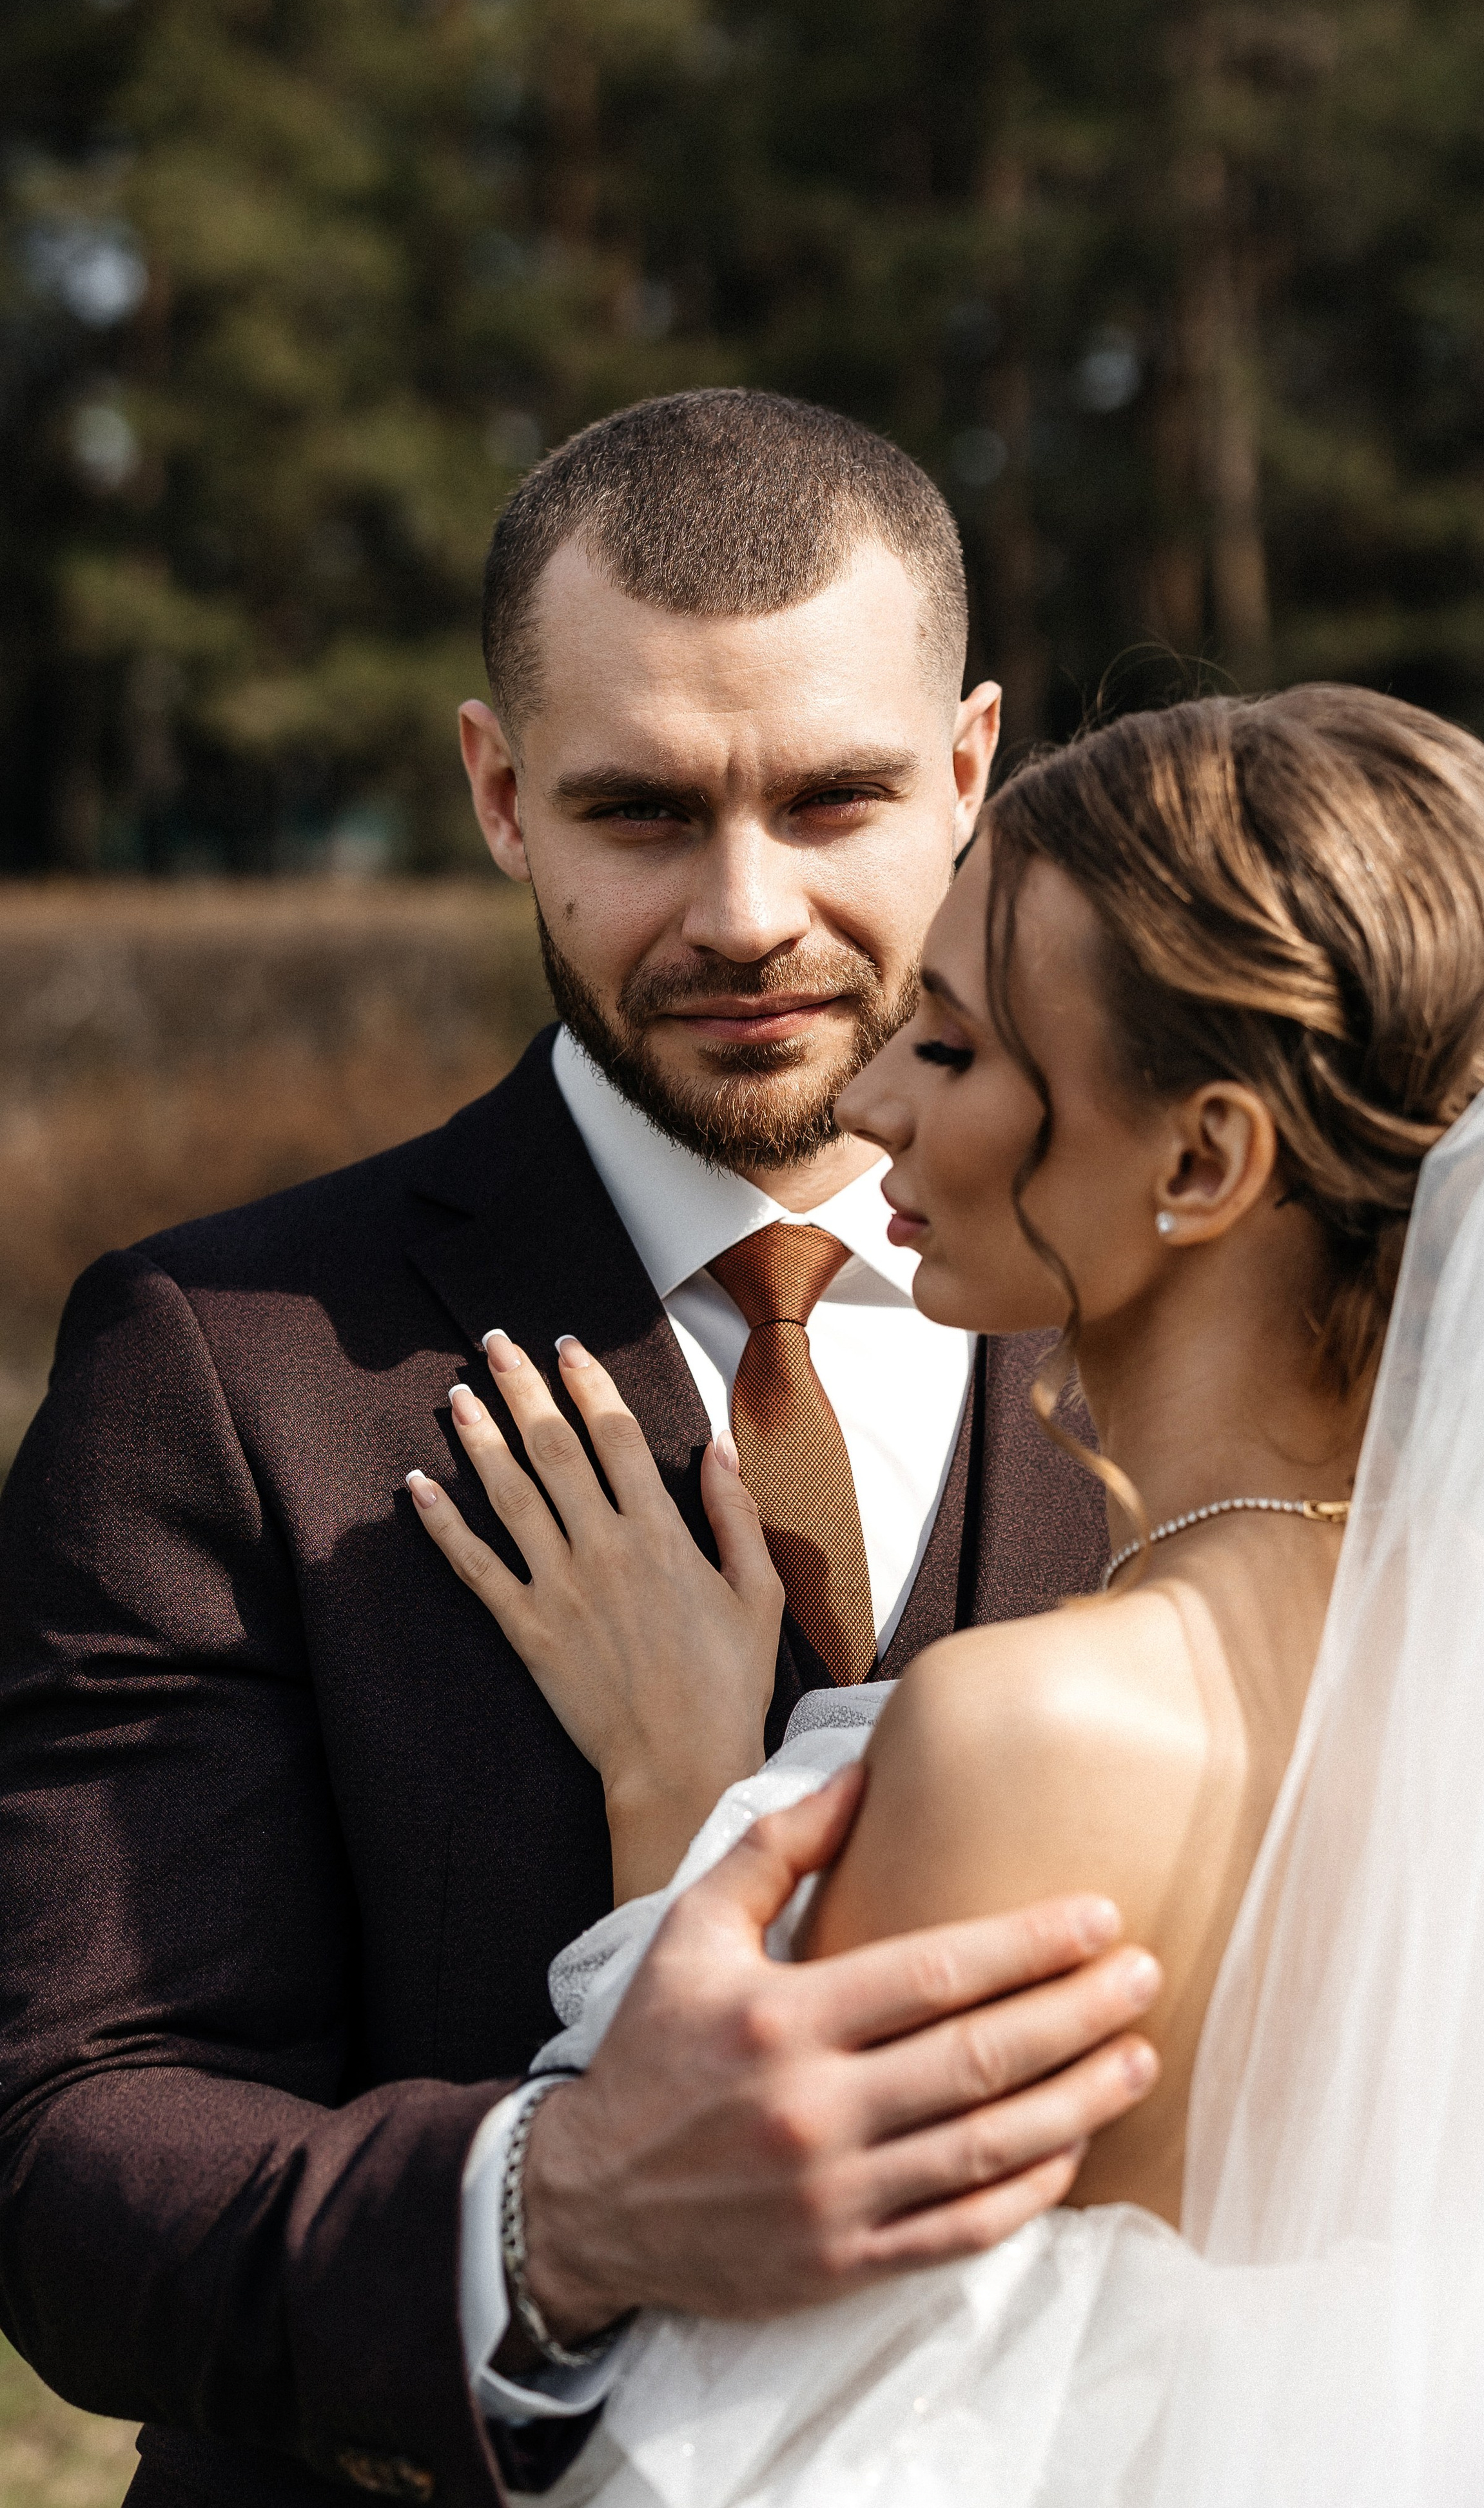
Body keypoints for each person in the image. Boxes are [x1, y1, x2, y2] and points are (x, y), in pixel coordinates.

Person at [0, 392, 1162, 2508]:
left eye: (833, 798)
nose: (746, 913)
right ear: (499, 793)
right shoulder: (220, 1367)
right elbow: (77, 2149)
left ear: (971, 768)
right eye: (641, 813)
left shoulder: (1194, 1325)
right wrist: (565, 2215)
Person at [413, 683, 1484, 2504]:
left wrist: (681, 1800)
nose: (873, 1100)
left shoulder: (1037, 1732)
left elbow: (744, 2450)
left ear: (1202, 1160)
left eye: (955, 1048)